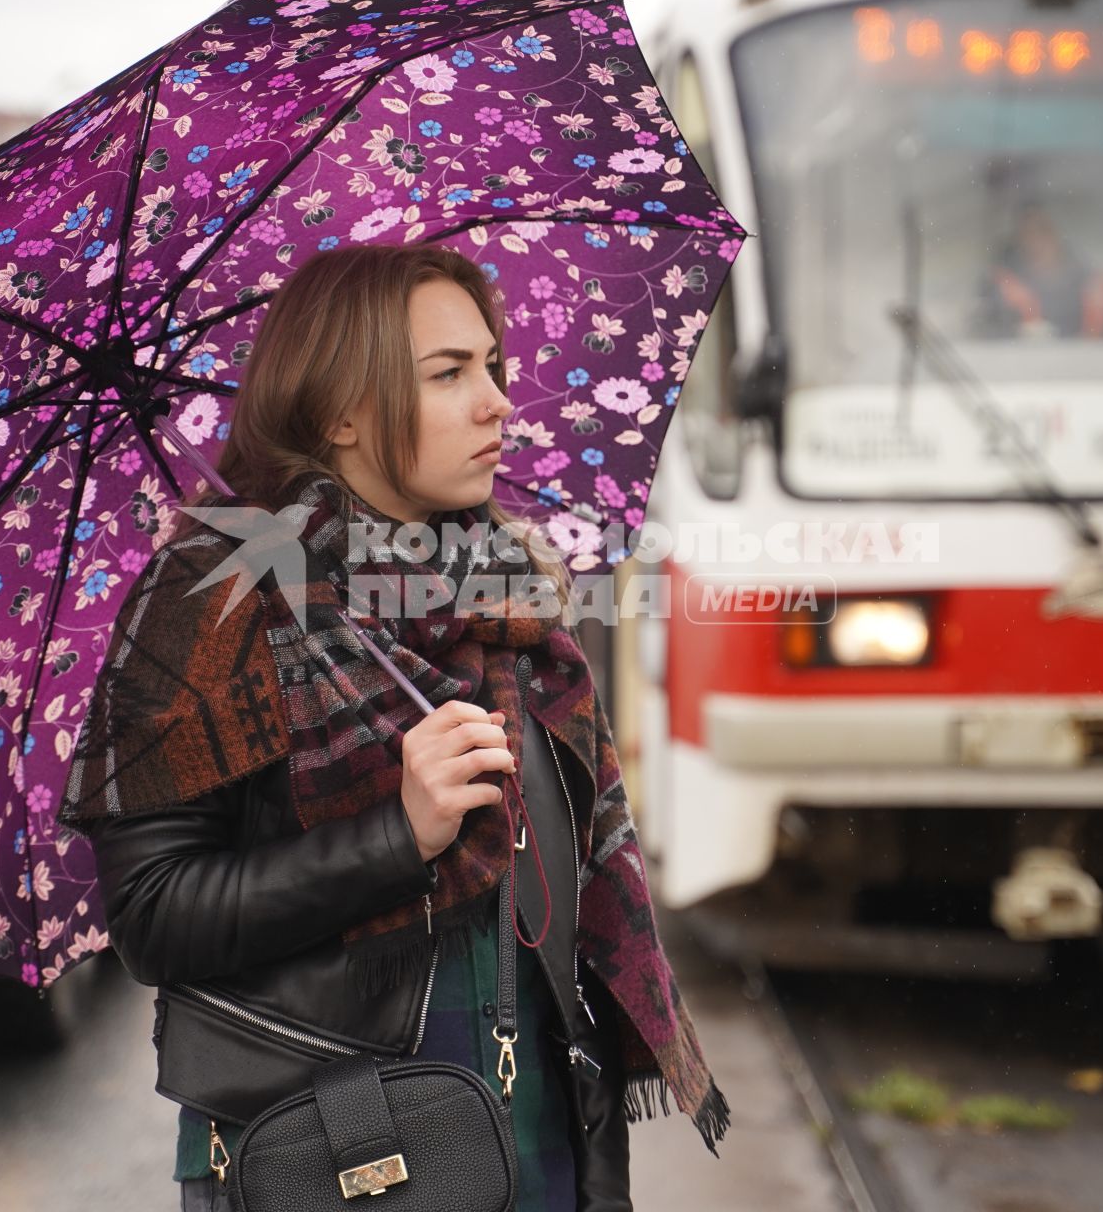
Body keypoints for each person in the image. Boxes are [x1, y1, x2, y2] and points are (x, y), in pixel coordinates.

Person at [55, 243, 731, 1212]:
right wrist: (396, 836)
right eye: (449, 373)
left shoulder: (511, 597)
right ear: (340, 409)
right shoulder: (212, 597)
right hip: (337, 1147)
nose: (498, 399)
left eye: (492, 365)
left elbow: (566, 911)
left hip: (534, 1121)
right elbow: (156, 917)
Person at [978, 201, 1103, 340]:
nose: (1035, 241)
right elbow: (980, 338)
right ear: (1017, 241)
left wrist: (1099, 325)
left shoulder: (1089, 284)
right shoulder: (1001, 287)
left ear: (1056, 235)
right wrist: (1017, 322)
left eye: (1042, 230)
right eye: (1026, 234)